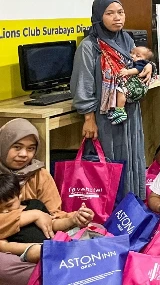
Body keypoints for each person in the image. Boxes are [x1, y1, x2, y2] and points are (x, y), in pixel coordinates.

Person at [71, 0, 152, 198]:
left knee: (132, 155)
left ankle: (132, 204)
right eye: (110, 13)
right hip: (106, 116)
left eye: (120, 12)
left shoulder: (127, 40)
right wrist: (89, 119)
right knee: (110, 160)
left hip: (129, 111)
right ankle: (111, 208)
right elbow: (83, 83)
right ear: (98, 16)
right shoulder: (90, 47)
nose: (117, 18)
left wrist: (149, 65)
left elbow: (137, 63)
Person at [0, 119, 94, 282]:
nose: (24, 154)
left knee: (95, 231)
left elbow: (53, 216)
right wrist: (33, 215)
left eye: (31, 149)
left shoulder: (40, 175)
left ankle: (57, 267)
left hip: (44, 240)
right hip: (10, 249)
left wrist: (74, 218)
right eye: (17, 147)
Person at [0, 173, 93, 263]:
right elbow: (4, 246)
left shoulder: (34, 204)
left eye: (9, 205)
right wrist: (40, 247)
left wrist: (72, 220)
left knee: (91, 229)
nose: (5, 211)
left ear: (19, 195)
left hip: (53, 242)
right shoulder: (3, 221)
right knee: (35, 252)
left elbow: (52, 224)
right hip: (29, 250)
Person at [111, 45, 155, 124]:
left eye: (137, 55)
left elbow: (138, 69)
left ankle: (120, 110)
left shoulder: (141, 63)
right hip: (134, 88)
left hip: (137, 86)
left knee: (121, 91)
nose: (132, 56)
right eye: (132, 53)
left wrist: (127, 72)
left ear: (146, 60)